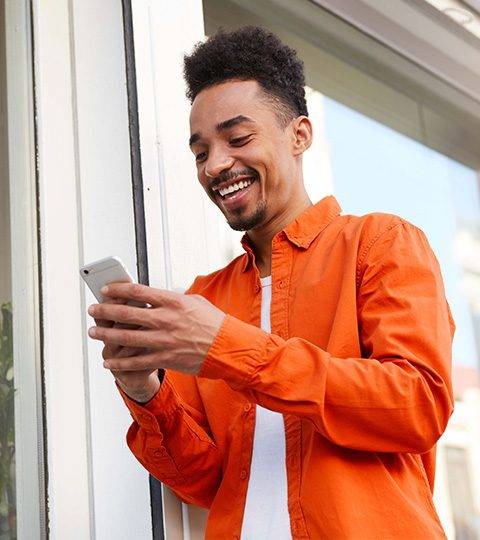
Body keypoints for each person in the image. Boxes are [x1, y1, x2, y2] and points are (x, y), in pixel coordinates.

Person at [87, 26, 455, 539]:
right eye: (200, 152)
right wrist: (143, 389)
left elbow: (416, 406)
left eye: (238, 139)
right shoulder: (204, 298)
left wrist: (227, 347)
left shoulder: (380, 243)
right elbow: (200, 480)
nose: (216, 165)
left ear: (299, 135)